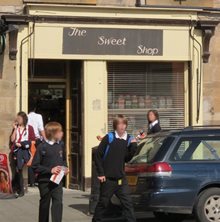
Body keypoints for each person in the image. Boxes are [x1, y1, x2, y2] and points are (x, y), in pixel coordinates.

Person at [93, 114, 137, 222]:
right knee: (103, 203)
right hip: (108, 179)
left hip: (121, 179)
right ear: (115, 125)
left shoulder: (128, 138)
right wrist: (101, 173)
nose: (122, 126)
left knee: (128, 204)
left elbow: (126, 158)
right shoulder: (109, 137)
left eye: (124, 124)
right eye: (119, 124)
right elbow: (98, 155)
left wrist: (133, 147)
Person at [32, 122, 69, 222]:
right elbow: (35, 166)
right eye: (60, 131)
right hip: (45, 181)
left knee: (58, 202)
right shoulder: (42, 147)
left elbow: (64, 160)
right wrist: (50, 170)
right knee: (45, 203)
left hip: (57, 181)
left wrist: (65, 168)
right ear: (54, 133)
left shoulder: (61, 145)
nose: (62, 133)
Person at [10, 111, 35, 197]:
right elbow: (12, 140)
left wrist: (23, 144)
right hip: (16, 151)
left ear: (24, 119)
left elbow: (33, 140)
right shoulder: (16, 128)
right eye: (17, 118)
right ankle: (20, 189)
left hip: (25, 151)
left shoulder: (30, 128)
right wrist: (15, 129)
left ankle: (18, 188)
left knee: (19, 169)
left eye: (19, 119)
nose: (17, 120)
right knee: (18, 169)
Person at [28, 101, 46, 186]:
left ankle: (31, 182)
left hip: (29, 141)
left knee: (30, 160)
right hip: (38, 140)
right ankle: (39, 179)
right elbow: (41, 128)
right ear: (35, 109)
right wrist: (45, 139)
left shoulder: (26, 117)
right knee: (39, 160)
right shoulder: (39, 116)